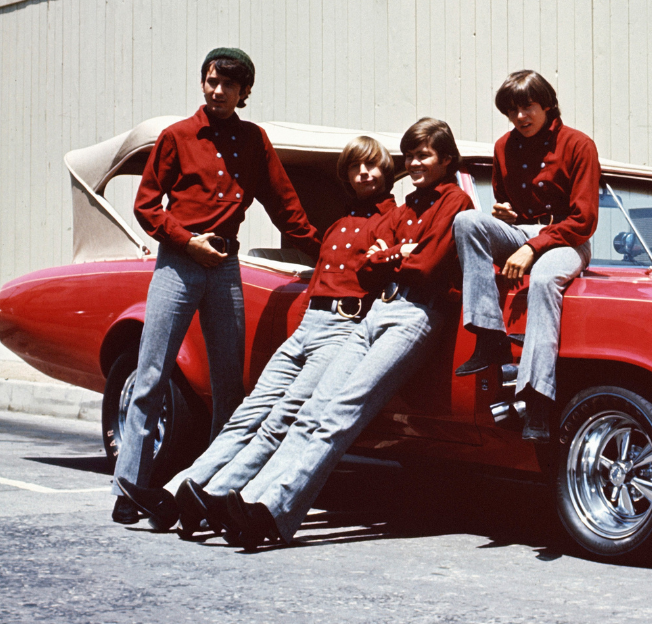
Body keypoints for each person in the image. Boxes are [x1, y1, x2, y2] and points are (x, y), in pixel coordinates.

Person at [115, 137, 398, 534]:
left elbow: (395, 275)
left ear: (388, 172)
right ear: (346, 175)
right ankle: (174, 496)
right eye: (355, 167)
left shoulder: (396, 221)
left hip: (342, 328)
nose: (364, 173)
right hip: (306, 324)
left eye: (373, 166)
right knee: (246, 414)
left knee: (279, 418)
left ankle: (212, 496)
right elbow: (321, 267)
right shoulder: (338, 223)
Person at [214, 118, 472, 549]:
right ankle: (252, 500)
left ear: (446, 159)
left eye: (424, 155)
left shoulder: (456, 200)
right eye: (410, 156)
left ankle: (273, 511)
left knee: (343, 412)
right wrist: (398, 253)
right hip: (379, 310)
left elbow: (427, 266)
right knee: (313, 412)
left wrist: (390, 255)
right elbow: (367, 268)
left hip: (416, 315)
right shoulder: (407, 207)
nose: (415, 163)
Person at [111, 47, 322, 525]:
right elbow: (147, 205)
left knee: (230, 384)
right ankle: (128, 488)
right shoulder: (176, 136)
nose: (218, 91)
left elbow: (284, 206)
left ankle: (212, 488)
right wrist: (187, 242)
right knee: (151, 376)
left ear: (244, 91)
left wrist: (327, 252)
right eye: (212, 81)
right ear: (203, 82)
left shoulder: (254, 141)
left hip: (225, 265)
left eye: (229, 84)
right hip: (178, 262)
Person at [453, 70, 600, 442]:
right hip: (522, 233)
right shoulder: (503, 147)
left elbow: (584, 220)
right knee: (467, 220)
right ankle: (490, 336)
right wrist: (506, 215)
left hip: (568, 239)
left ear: (547, 104)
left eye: (528, 107)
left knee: (545, 278)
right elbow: (508, 203)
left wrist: (532, 247)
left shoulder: (579, 144)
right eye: (512, 110)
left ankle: (537, 398)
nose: (520, 117)